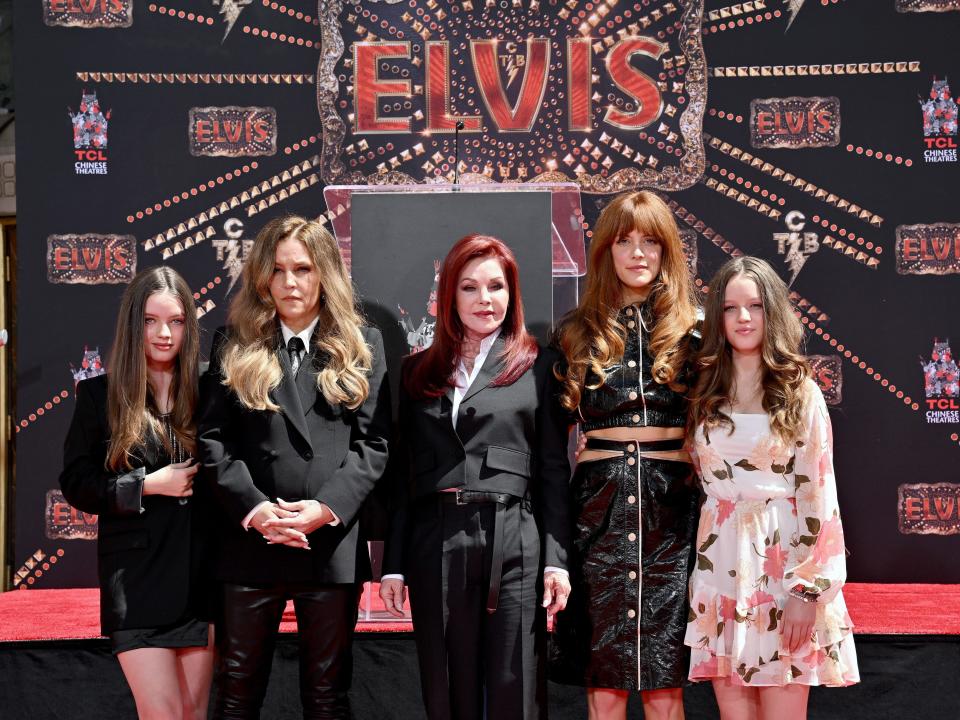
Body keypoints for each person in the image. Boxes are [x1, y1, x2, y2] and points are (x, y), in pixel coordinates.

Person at [197, 215, 391, 719]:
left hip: (327, 545)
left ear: (324, 274)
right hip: (250, 544)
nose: (290, 283)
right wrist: (257, 511)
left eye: (302, 269)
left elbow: (374, 446)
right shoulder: (232, 344)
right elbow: (214, 442)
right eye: (278, 270)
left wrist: (324, 509)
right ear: (262, 277)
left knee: (328, 694)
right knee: (236, 690)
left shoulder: (362, 347)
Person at [379, 234, 572, 720]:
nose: (484, 299)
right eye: (469, 287)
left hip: (515, 539)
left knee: (516, 688)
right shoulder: (414, 372)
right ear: (449, 297)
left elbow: (552, 469)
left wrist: (556, 559)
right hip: (435, 539)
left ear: (512, 294)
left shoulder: (539, 365)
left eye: (496, 286)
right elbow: (401, 475)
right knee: (446, 690)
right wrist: (394, 564)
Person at [684, 256, 859, 718]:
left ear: (774, 311)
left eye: (756, 306)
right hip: (719, 564)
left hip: (783, 571)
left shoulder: (800, 391)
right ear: (717, 316)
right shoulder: (703, 387)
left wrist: (807, 592)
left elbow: (819, 494)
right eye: (731, 307)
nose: (744, 317)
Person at [551, 190, 701, 720]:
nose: (638, 253)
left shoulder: (697, 335)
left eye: (650, 242)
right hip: (598, 513)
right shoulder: (575, 334)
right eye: (624, 241)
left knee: (665, 684)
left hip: (675, 514)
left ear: (667, 251)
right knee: (606, 682)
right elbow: (549, 452)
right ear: (604, 252)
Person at [60, 266, 214, 720]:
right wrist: (147, 485)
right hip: (135, 583)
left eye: (176, 321)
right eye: (150, 321)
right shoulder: (99, 396)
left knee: (191, 714)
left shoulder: (210, 391)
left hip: (200, 581)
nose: (164, 333)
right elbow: (76, 483)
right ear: (133, 325)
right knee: (163, 714)